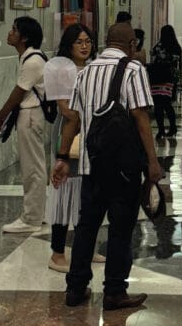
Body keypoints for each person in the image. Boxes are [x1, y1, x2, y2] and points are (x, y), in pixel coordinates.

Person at [52, 22, 163, 310]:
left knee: (87, 226)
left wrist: (63, 157)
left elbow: (73, 120)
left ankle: (75, 289)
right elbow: (140, 117)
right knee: (120, 229)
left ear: (105, 41)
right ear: (131, 45)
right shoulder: (134, 69)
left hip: (91, 166)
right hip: (123, 168)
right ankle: (114, 290)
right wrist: (152, 161)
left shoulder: (86, 71)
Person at [43, 24, 104, 271]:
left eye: (87, 41)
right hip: (70, 130)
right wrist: (82, 115)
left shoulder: (94, 68)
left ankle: (85, 249)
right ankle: (57, 253)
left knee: (87, 193)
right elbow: (64, 107)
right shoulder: (61, 68)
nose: (84, 45)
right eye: (79, 41)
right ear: (69, 44)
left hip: (91, 131)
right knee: (64, 191)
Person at [0, 16, 48, 234]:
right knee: (34, 166)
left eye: (14, 30)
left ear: (24, 37)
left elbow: (19, 92)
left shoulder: (32, 61)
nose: (10, 32)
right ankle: (37, 213)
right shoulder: (31, 57)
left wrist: (1, 114)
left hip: (31, 115)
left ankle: (31, 218)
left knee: (32, 168)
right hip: (31, 115)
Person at [149, 24, 182, 141]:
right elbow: (177, 64)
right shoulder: (176, 47)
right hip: (169, 79)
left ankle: (161, 130)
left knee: (158, 105)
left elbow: (152, 58)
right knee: (167, 104)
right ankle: (172, 127)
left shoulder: (158, 47)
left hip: (156, 78)